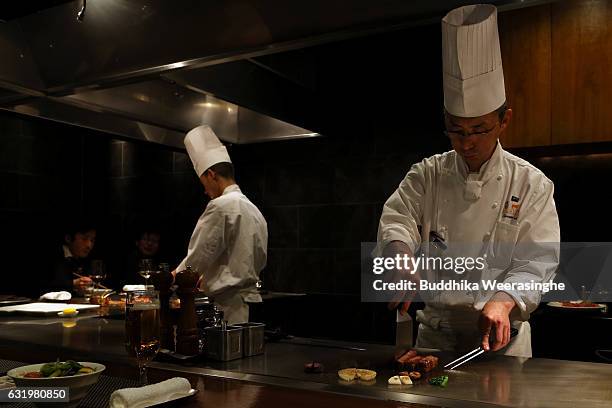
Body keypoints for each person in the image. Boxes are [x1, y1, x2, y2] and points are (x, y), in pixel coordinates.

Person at [375, 4, 559, 358]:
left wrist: (504, 301)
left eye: (479, 129)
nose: (466, 142)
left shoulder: (532, 184)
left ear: (504, 121)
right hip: (435, 335)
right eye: (456, 130)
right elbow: (397, 221)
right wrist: (400, 260)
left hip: (500, 339)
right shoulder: (426, 174)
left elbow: (537, 262)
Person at [174, 125, 268, 324]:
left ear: (211, 174)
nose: (205, 190)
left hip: (225, 309)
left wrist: (172, 277)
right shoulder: (253, 209)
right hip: (249, 305)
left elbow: (199, 256)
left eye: (203, 183)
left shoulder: (220, 206)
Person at [45, 219, 96, 294]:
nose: (89, 245)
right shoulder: (52, 256)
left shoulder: (82, 259)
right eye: (84, 239)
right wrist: (73, 284)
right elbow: (41, 286)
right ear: (68, 238)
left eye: (92, 240)